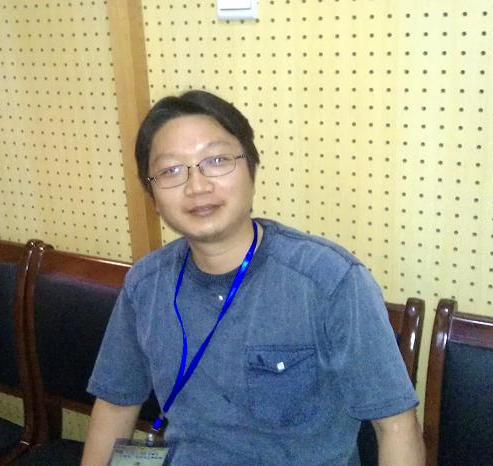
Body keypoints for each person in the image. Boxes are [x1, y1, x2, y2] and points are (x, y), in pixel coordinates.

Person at [81, 90, 425, 465]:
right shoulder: (145, 284)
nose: (197, 186)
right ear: (152, 193)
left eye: (216, 160)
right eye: (171, 171)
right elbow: (115, 407)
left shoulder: (329, 281)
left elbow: (395, 425)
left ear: (251, 169)